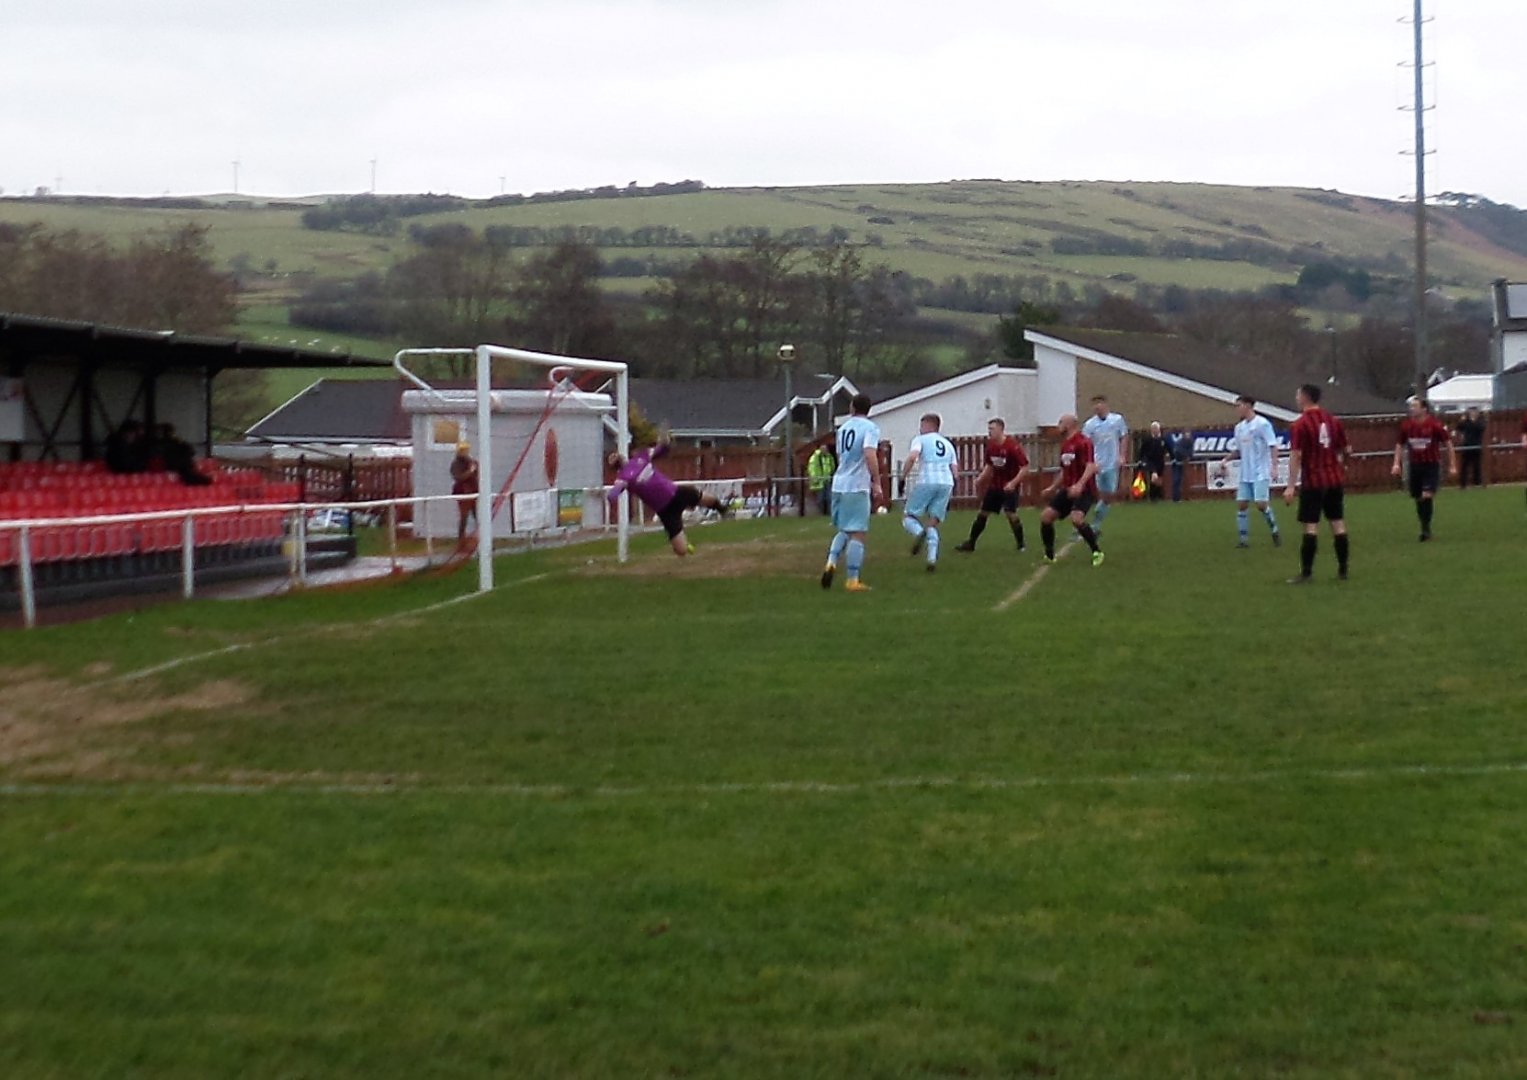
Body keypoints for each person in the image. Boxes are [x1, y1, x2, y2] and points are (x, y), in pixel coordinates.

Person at [606, 440, 729, 558]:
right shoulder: (623, 478)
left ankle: (723, 510)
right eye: (611, 459)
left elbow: (662, 449)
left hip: (675, 493)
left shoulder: (641, 457)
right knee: (681, 550)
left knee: (705, 498)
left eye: (614, 455)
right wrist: (618, 489)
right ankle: (686, 545)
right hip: (665, 510)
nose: (614, 457)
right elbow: (613, 495)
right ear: (614, 466)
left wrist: (664, 441)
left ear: (621, 455)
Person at [1283, 383, 1350, 583]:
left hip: (1313, 481)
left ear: (1304, 397)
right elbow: (1347, 450)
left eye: (1297, 395)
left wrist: (1291, 486)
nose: (1296, 399)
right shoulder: (1333, 421)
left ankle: (1306, 573)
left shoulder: (1300, 424)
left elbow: (1296, 456)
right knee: (1337, 523)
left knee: (1310, 526)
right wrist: (1342, 466)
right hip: (1334, 480)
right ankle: (1343, 570)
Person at [821, 393, 883, 592]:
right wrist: (877, 481)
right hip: (856, 486)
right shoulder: (870, 428)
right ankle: (852, 580)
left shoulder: (843, 428)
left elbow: (840, 455)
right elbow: (869, 453)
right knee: (858, 533)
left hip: (839, 483)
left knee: (844, 530)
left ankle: (831, 562)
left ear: (852, 408)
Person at [1038, 413, 1104, 567]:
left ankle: (1097, 551)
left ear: (1069, 424)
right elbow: (1064, 471)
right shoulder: (1065, 445)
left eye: (1060, 422)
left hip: (1084, 490)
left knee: (1076, 519)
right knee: (1046, 517)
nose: (1058, 425)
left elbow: (1090, 466)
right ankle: (1049, 555)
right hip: (1068, 489)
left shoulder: (1083, 442)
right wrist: (1052, 488)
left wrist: (1080, 484)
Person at [955, 417, 1028, 553]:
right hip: (995, 486)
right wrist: (980, 479)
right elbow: (990, 465)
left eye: (992, 429)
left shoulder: (1012, 446)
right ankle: (971, 543)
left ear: (1001, 429)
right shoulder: (992, 446)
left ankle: (1021, 544)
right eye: (989, 429)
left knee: (1010, 514)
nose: (989, 432)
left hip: (1009, 487)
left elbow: (1024, 467)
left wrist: (1013, 483)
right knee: (983, 513)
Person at [1392, 396, 1456, 542]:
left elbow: (1448, 444)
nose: (1411, 409)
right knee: (1419, 498)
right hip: (1415, 466)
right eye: (1411, 406)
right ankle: (1424, 526)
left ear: (1424, 409)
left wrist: (1452, 465)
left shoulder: (1434, 425)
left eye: (1415, 406)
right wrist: (1396, 463)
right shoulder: (1407, 426)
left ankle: (1426, 530)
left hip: (1431, 465)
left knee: (1427, 495)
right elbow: (1399, 445)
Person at [899, 413, 956, 572]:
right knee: (933, 520)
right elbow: (955, 469)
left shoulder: (920, 439)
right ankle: (931, 559)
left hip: (927, 480)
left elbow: (912, 457)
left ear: (929, 425)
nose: (920, 428)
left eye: (922, 425)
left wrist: (903, 478)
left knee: (908, 516)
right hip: (946, 482)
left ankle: (919, 534)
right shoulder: (948, 444)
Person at [1231, 395, 1282, 549]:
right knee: (1241, 504)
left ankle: (1274, 530)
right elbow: (1238, 450)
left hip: (1260, 472)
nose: (1237, 409)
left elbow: (1272, 445)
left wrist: (1274, 467)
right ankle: (1243, 540)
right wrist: (1225, 459)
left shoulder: (1262, 424)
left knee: (1261, 504)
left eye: (1239, 405)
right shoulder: (1239, 428)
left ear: (1248, 406)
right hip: (1245, 474)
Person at [1081, 395, 1128, 534]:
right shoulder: (1089, 424)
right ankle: (1092, 525)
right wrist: (1088, 462)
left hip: (1112, 463)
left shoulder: (1117, 420)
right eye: (1095, 404)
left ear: (1105, 404)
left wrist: (1122, 455)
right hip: (1097, 465)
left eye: (1099, 403)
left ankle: (1095, 520)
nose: (1097, 407)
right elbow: (1085, 444)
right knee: (1099, 493)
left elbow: (1124, 436)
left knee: (1109, 494)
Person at [450, 440, 480, 542]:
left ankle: (481, 537)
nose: (465, 452)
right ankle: (461, 539)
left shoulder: (471, 461)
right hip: (462, 492)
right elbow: (458, 477)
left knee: (478, 516)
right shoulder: (456, 464)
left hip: (473, 492)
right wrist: (470, 471)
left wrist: (475, 469)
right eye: (463, 450)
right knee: (464, 516)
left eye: (466, 450)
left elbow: (477, 475)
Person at [1453, 406, 1486, 489]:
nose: (1473, 413)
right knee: (1464, 466)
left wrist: (1473, 421)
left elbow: (1481, 428)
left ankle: (1477, 483)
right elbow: (1458, 427)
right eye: (1471, 412)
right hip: (1466, 446)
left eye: (1474, 412)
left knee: (1476, 466)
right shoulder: (1465, 422)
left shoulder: (1480, 421)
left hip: (1476, 446)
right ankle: (1463, 484)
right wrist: (1462, 420)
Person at [1137, 421, 1168, 503]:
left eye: (1156, 429)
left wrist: (1172, 457)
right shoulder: (1148, 440)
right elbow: (1142, 451)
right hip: (1150, 462)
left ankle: (1157, 497)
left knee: (1159, 481)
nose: (1154, 430)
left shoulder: (1163, 440)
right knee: (1154, 478)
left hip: (1160, 462)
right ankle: (1152, 497)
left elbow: (1168, 449)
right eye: (1153, 429)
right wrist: (1141, 459)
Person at [806, 438, 836, 516]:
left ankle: (829, 514)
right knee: (821, 499)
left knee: (829, 498)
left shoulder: (829, 457)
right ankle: (821, 513)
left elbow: (832, 466)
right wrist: (815, 478)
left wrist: (831, 474)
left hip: (827, 480)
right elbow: (812, 468)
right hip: (819, 481)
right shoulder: (815, 457)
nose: (825, 450)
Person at [1168, 428, 1192, 502]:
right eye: (1186, 434)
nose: (1188, 436)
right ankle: (1175, 498)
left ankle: (1183, 497)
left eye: (1189, 434)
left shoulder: (1190, 442)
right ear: (1183, 435)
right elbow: (1177, 451)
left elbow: (1191, 452)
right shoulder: (1179, 442)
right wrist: (1185, 456)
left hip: (1183, 463)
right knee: (1176, 480)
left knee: (1182, 480)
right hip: (1176, 463)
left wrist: (1188, 456)